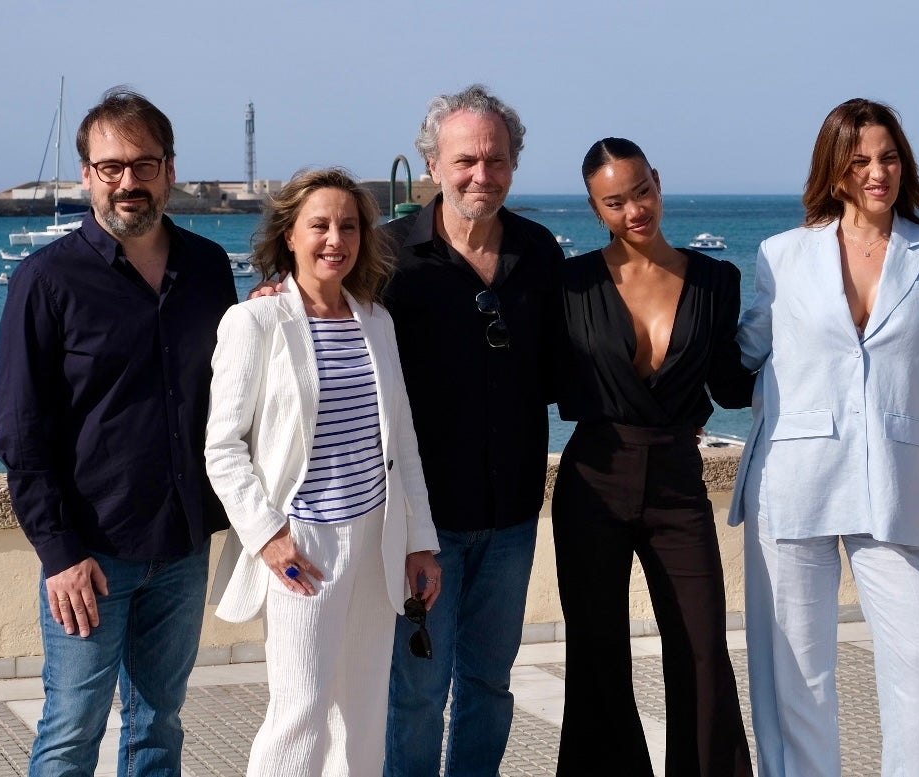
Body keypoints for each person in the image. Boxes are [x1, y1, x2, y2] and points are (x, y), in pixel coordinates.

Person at [728, 99, 919, 777]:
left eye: (889, 156)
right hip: (791, 482)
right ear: (835, 169)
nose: (877, 171)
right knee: (795, 677)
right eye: (860, 159)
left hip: (897, 485)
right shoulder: (780, 255)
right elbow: (745, 354)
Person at [0, 87, 238, 776]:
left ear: (169, 169)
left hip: (183, 545)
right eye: (111, 166)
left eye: (144, 163)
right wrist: (59, 552)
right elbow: (21, 430)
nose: (128, 181)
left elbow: (235, 390)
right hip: (90, 556)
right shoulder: (46, 281)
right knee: (72, 727)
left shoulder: (209, 269)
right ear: (86, 175)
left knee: (158, 723)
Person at [204, 167, 441, 776]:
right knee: (300, 714)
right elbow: (222, 448)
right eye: (319, 225)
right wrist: (266, 536)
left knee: (363, 716)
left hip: (376, 540)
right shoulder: (254, 322)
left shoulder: (376, 321)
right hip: (301, 546)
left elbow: (403, 444)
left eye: (349, 226)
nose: (335, 239)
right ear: (289, 234)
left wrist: (420, 543)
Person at [552, 137, 755, 777]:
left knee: (700, 649)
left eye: (642, 191)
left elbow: (731, 384)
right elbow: (524, 370)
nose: (635, 210)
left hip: (676, 482)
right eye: (615, 202)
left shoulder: (718, 280)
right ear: (595, 208)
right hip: (592, 480)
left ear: (658, 183)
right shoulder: (572, 283)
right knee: (597, 653)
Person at [382, 85, 564, 777]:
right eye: (464, 160)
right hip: (421, 523)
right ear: (432, 164)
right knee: (419, 692)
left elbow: (571, 358)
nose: (479, 175)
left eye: (495, 160)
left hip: (513, 513)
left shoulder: (539, 252)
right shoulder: (387, 256)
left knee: (489, 684)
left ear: (513, 166)